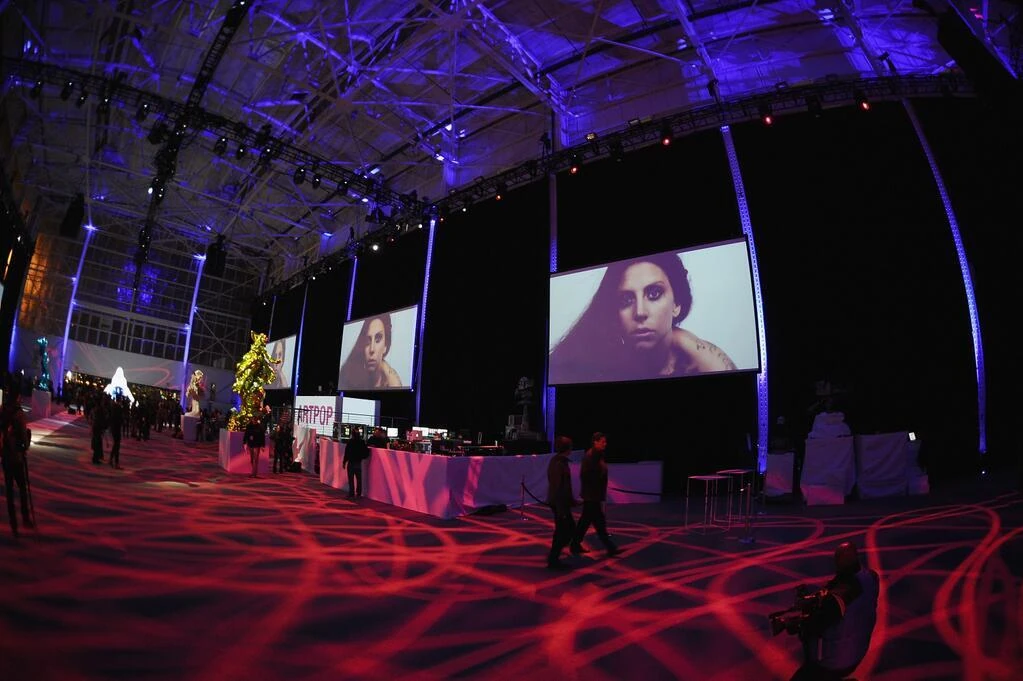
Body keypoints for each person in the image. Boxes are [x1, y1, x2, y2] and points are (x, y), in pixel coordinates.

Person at [549, 252, 736, 383]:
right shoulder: (601, 367)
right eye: (626, 299)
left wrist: (684, 340)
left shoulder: (695, 361)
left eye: (654, 294)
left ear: (676, 304)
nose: (639, 312)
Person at [790, 541, 880, 681]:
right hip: (859, 649)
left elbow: (814, 625)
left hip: (835, 662)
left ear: (838, 562)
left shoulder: (837, 598)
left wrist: (796, 623)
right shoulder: (872, 578)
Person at [573, 432, 622, 557]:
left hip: (593, 495)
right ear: (595, 442)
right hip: (592, 495)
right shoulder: (592, 456)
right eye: (602, 442)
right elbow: (587, 476)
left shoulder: (597, 455)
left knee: (587, 521)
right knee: (596, 522)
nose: (605, 444)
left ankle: (575, 544)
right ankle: (609, 547)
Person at [338, 314, 403, 390]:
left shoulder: (392, 381)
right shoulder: (350, 377)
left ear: (385, 346)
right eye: (367, 342)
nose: (372, 349)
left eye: (377, 340)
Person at [1, 394, 33, 538]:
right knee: (22, 487)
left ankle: (13, 523)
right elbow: (23, 436)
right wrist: (25, 445)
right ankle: (25, 518)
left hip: (5, 455)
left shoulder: (3, 411)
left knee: (9, 490)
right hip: (16, 456)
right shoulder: (18, 414)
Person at [546, 435, 579, 569]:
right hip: (560, 504)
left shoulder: (557, 461)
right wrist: (562, 508)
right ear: (568, 448)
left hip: (560, 503)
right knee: (564, 531)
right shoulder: (560, 464)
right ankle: (553, 559)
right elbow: (558, 487)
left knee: (566, 529)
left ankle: (554, 558)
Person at [342, 428, 370, 498]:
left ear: (352, 434)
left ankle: (351, 493)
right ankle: (359, 493)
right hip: (358, 462)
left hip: (351, 463)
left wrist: (344, 462)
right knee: (359, 479)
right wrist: (362, 457)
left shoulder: (350, 442)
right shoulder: (362, 442)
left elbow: (347, 452)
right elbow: (366, 452)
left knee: (351, 479)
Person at [272, 407, 293, 474]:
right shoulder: (281, 431)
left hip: (280, 445)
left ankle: (277, 469)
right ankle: (277, 469)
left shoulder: (282, 431)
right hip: (279, 445)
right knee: (279, 458)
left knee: (279, 458)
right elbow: (274, 437)